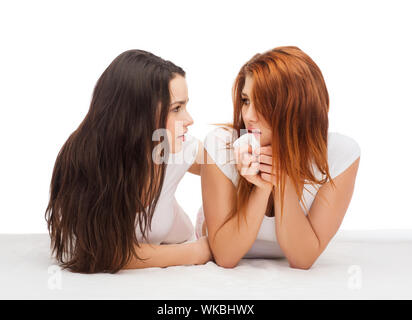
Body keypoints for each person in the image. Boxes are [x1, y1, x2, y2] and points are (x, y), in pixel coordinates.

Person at [45, 49, 211, 273]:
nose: (189, 119)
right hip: (187, 244)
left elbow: (224, 167)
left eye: (185, 106)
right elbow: (106, 254)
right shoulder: (84, 162)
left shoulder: (176, 147)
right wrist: (198, 252)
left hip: (182, 232)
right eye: (177, 108)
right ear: (137, 114)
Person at [197, 46, 361, 270]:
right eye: (246, 101)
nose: (248, 116)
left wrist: (283, 181)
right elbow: (226, 256)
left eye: (264, 103)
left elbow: (302, 259)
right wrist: (262, 187)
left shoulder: (340, 154)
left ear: (298, 109)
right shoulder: (220, 145)